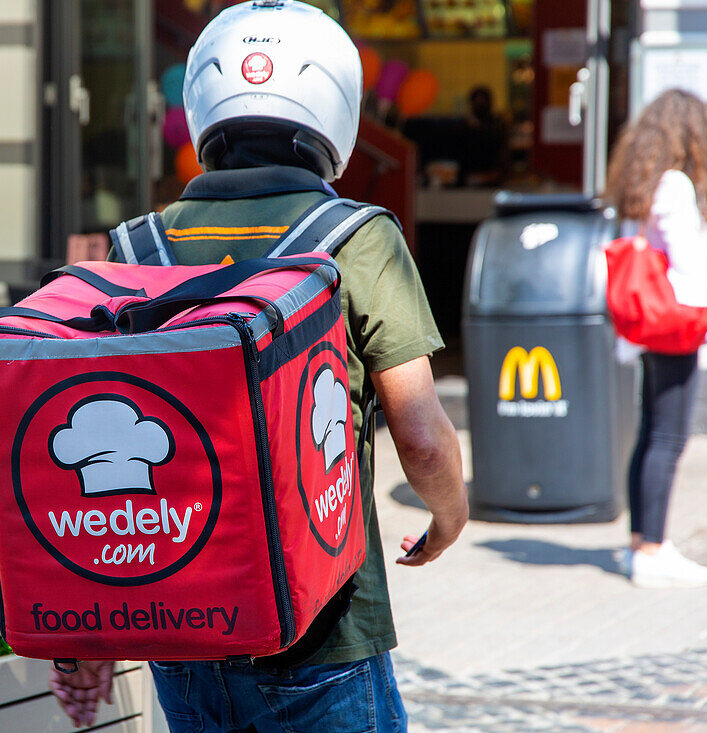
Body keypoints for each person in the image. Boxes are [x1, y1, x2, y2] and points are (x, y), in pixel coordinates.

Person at [49, 2, 468, 730]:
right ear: (336, 107)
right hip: (322, 628)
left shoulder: (137, 247)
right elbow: (422, 435)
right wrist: (450, 516)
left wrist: (89, 635)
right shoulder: (357, 239)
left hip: (178, 625)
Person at [605, 89, 707, 589]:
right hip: (675, 324)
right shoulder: (675, 184)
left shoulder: (644, 181)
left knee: (651, 432)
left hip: (650, 323)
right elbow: (686, 262)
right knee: (669, 436)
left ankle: (642, 542)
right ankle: (653, 551)